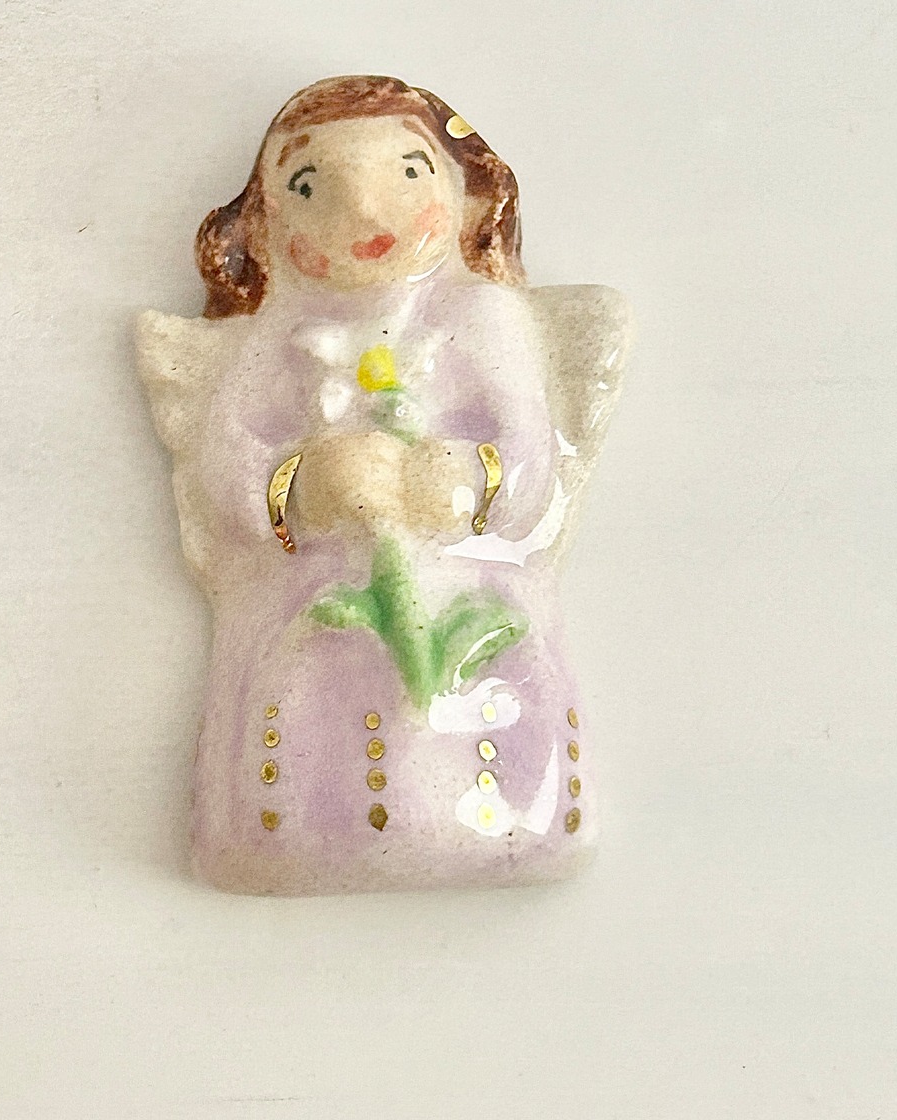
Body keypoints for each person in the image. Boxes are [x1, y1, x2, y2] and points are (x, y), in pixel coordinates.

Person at [138, 75, 632, 894]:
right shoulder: (276, 338)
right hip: (312, 608)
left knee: (489, 683)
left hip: (470, 594)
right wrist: (303, 488)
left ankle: (501, 817)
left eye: (409, 172)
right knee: (311, 684)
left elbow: (531, 462)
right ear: (263, 225)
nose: (365, 212)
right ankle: (298, 831)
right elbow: (225, 473)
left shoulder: (485, 319)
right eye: (309, 186)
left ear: (470, 197)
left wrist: (468, 480)